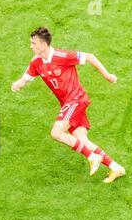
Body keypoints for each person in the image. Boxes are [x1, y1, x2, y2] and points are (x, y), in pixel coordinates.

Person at [11, 27, 125, 183]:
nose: (31, 46)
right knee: (82, 141)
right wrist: (18, 84)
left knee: (56, 133)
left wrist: (107, 75)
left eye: (33, 43)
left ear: (44, 45)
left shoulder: (62, 56)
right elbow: (25, 78)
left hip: (76, 100)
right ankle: (116, 168)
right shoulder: (36, 62)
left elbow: (89, 56)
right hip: (68, 104)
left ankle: (92, 157)